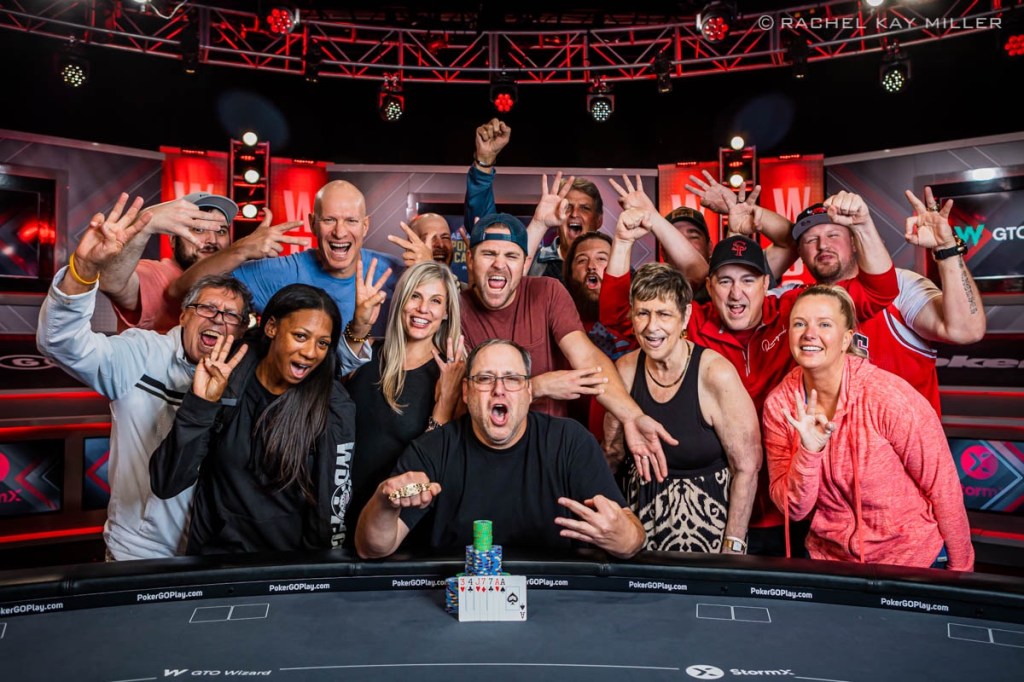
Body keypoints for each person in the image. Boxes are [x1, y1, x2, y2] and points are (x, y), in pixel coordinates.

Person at [600, 195, 899, 555]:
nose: (736, 293)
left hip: (793, 502)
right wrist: (622, 242)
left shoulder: (793, 312)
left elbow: (880, 292)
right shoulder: (691, 323)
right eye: (725, 281)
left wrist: (863, 223)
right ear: (710, 286)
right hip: (721, 508)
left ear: (766, 283)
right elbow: (617, 314)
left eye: (748, 280)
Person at [36, 195, 254, 559]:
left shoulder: (247, 369)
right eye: (206, 308)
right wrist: (83, 269)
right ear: (183, 315)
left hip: (216, 555)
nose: (217, 319)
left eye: (230, 315)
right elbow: (61, 341)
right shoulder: (142, 351)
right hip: (140, 553)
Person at [354, 339, 645, 559]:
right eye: (484, 379)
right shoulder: (432, 450)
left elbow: (633, 535)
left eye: (512, 379)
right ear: (466, 392)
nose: (499, 389)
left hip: (554, 601)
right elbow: (371, 548)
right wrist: (383, 503)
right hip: (457, 603)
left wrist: (624, 538)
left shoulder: (569, 442)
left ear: (529, 392)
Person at [763, 285, 974, 571]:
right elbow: (794, 510)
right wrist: (809, 453)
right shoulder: (780, 405)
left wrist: (960, 571)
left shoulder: (887, 396)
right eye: (799, 324)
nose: (809, 334)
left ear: (846, 338)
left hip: (912, 561)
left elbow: (943, 487)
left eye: (824, 324)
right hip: (833, 563)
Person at [149, 284, 357, 554]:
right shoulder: (229, 377)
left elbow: (331, 510)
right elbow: (166, 483)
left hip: (286, 567)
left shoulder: (332, 404)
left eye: (322, 343)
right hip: (213, 562)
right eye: (300, 336)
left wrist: (314, 574)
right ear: (271, 327)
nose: (310, 352)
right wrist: (201, 405)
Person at [460, 212, 676, 466]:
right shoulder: (456, 309)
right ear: (470, 259)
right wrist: (537, 386)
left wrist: (632, 417)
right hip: (482, 456)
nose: (499, 264)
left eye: (511, 256)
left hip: (549, 455)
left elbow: (588, 358)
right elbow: (464, 399)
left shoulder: (547, 292)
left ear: (525, 263)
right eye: (488, 254)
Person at [165, 180, 403, 367]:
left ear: (365, 225)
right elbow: (179, 290)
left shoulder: (394, 273)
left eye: (351, 220)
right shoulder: (282, 272)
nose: (339, 232)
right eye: (329, 220)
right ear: (313, 223)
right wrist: (241, 249)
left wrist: (424, 267)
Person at [609, 263, 760, 553]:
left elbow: (747, 467)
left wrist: (733, 547)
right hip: (639, 537)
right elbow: (611, 454)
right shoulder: (625, 370)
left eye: (664, 314)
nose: (651, 327)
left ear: (685, 316)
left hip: (710, 540)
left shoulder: (715, 373)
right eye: (642, 313)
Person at [345, 261, 466, 534]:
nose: (423, 308)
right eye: (415, 296)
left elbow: (439, 463)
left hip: (403, 523)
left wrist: (444, 405)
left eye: (436, 301)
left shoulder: (452, 373)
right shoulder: (368, 350)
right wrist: (358, 325)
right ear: (401, 300)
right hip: (341, 510)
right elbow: (327, 378)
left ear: (447, 312)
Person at [97, 191, 241, 333]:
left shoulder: (234, 281)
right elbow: (111, 282)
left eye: (221, 231)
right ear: (173, 239)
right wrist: (146, 224)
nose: (212, 240)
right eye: (198, 229)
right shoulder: (156, 274)